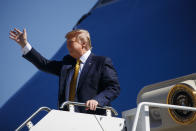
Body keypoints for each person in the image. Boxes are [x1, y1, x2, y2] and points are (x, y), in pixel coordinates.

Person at [9, 28, 120, 115]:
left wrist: (97, 100)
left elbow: (113, 88)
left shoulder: (101, 62)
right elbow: (44, 64)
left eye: (71, 43)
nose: (67, 46)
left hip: (92, 118)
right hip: (67, 119)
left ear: (83, 44)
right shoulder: (67, 64)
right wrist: (24, 45)